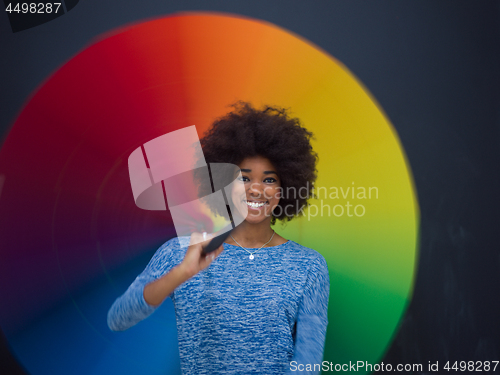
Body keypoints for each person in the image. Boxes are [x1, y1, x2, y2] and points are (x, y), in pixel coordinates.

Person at [107, 102, 330, 374]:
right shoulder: (182, 252)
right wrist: (182, 273)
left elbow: (309, 361)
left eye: (269, 180)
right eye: (244, 179)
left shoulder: (308, 265)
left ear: (284, 190)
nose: (257, 189)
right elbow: (118, 318)